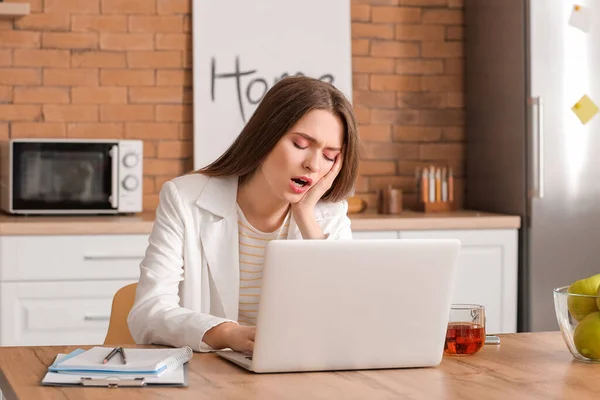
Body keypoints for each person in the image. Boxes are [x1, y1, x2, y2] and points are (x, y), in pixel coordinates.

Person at [127, 76, 360, 354]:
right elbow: (148, 312)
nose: (313, 164)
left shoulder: (328, 216)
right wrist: (226, 334)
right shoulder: (184, 199)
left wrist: (306, 217)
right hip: (212, 378)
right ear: (266, 136)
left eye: (330, 156)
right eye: (300, 144)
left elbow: (346, 319)